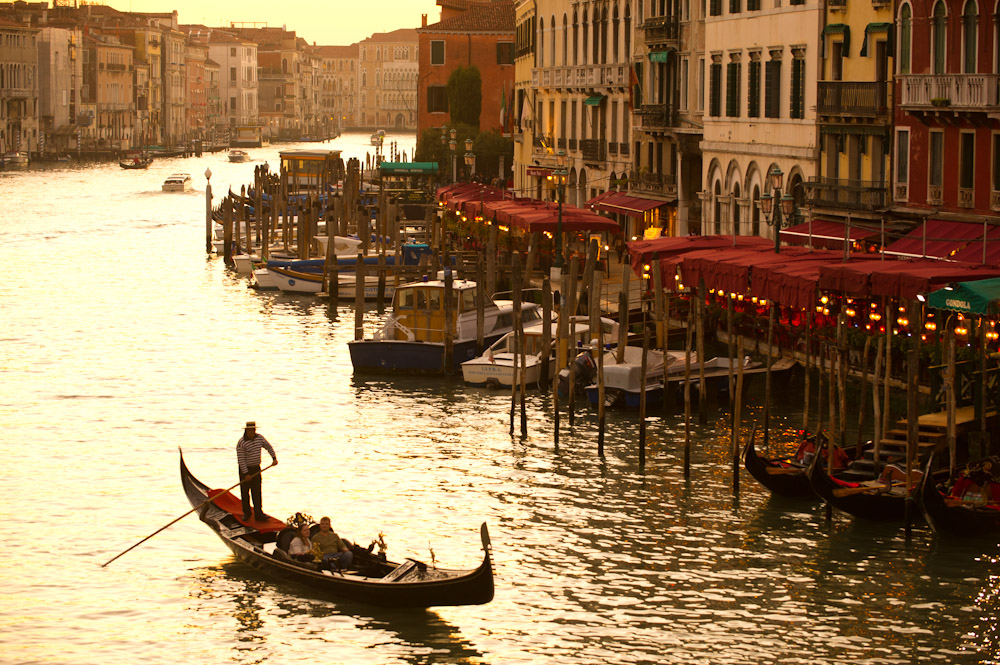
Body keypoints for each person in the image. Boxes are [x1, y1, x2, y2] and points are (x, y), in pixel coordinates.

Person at [236, 421, 278, 521]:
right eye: (250, 430)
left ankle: (258, 513)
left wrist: (274, 458)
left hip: (256, 468)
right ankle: (247, 513)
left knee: (257, 492)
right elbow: (241, 460)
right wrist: (246, 474)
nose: (252, 432)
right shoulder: (241, 443)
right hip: (245, 469)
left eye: (253, 430)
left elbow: (268, 446)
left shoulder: (260, 438)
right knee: (245, 492)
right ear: (246, 431)